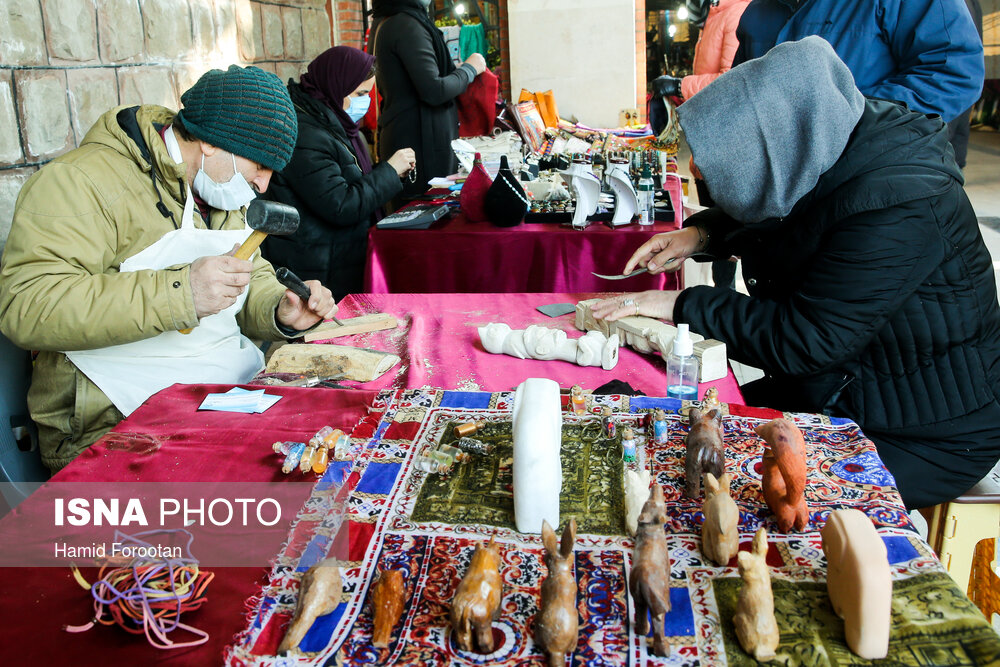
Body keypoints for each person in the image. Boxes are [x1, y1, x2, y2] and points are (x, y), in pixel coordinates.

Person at [593, 37, 1000, 510]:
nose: (704, 177)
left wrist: (678, 304)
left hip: (924, 427)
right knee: (681, 438)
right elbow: (790, 203)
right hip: (844, 383)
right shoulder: (835, 139)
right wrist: (700, 237)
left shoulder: (898, 204)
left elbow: (803, 338)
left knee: (749, 501)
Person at [0, 65, 338, 472]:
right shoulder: (79, 182)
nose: (263, 185)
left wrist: (277, 310)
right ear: (213, 144)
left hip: (219, 393)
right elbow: (27, 305)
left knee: (320, 455)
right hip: (110, 421)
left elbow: (250, 273)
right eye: (260, 166)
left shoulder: (220, 187)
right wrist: (181, 293)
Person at [714, 0, 986, 292]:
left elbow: (954, 70)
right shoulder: (758, 12)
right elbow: (745, 100)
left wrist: (848, 122)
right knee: (790, 319)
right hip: (789, 218)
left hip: (875, 202)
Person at [263, 46, 416, 300]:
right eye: (360, 93)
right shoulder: (306, 134)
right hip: (317, 266)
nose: (364, 101)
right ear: (337, 85)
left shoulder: (333, 121)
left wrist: (391, 173)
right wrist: (389, 171)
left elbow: (348, 180)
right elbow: (340, 204)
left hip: (335, 255)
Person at [368, 0, 487, 203]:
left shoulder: (392, 19)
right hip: (419, 148)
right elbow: (434, 90)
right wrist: (470, 69)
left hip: (414, 141)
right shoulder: (405, 24)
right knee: (425, 222)